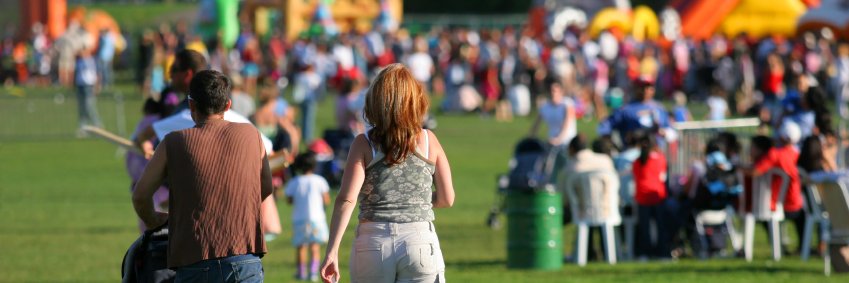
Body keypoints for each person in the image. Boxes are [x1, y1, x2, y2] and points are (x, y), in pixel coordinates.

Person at [132, 70, 273, 282]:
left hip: (193, 259)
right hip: (244, 256)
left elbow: (140, 196)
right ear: (227, 105)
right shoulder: (252, 134)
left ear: (191, 105)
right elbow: (266, 186)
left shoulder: (173, 142)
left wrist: (153, 220)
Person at [320, 64, 455, 283]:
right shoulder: (429, 140)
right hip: (419, 242)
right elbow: (447, 198)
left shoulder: (363, 144)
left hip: (372, 242)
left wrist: (332, 251)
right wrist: (414, 200)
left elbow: (347, 199)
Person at [748, 122, 805, 254]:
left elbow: (755, 171)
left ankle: (779, 247)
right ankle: (802, 247)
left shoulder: (775, 154)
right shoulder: (796, 154)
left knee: (764, 216)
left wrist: (737, 167)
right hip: (796, 201)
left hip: (779, 203)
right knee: (802, 217)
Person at [285, 152, 331, 281]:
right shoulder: (320, 180)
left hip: (299, 219)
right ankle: (313, 273)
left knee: (301, 247)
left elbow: (289, 200)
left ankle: (301, 273)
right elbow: (326, 200)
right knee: (315, 246)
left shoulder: (294, 181)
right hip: (317, 218)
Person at [632, 132, 670, 259]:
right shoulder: (660, 158)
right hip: (657, 196)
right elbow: (663, 177)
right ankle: (663, 253)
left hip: (642, 197)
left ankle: (644, 253)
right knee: (661, 226)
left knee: (644, 228)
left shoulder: (637, 161)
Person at [75, 48, 102, 136]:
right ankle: (83, 127)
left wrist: (97, 86)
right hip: (80, 85)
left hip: (89, 86)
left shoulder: (93, 61)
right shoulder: (78, 61)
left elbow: (98, 74)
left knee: (90, 107)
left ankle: (98, 126)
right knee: (82, 108)